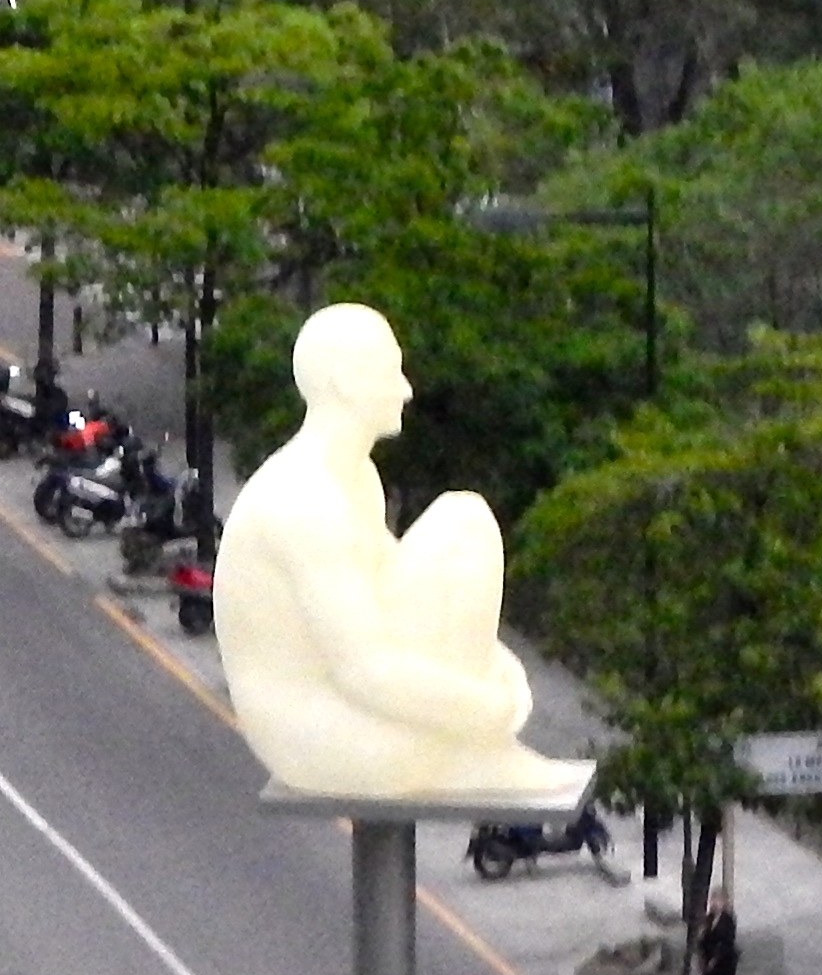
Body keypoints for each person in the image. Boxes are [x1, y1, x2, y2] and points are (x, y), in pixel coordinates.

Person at [213, 302, 594, 807]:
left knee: (463, 520)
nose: (407, 389)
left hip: (349, 712)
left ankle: (481, 752)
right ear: (345, 382)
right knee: (463, 524)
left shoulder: (357, 477)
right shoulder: (307, 500)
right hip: (323, 743)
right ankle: (477, 754)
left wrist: (500, 668)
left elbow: (401, 593)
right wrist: (489, 712)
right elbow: (365, 670)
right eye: (391, 371)